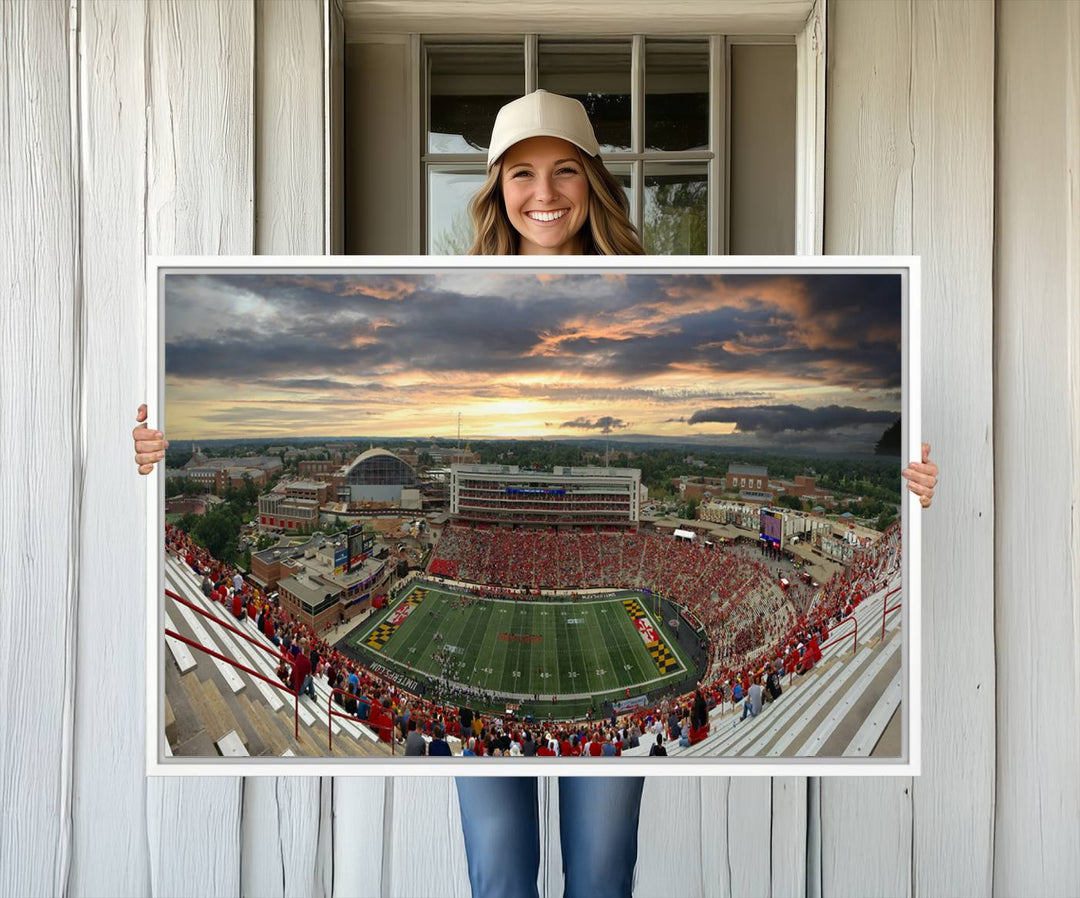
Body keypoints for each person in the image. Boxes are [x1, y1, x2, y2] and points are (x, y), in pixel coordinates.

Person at [132, 89, 939, 898]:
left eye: (564, 171)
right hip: (487, 710)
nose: (544, 193)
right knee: (501, 873)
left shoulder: (654, 291)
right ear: (495, 188)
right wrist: (159, 453)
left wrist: (908, 484)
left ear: (593, 181)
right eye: (521, 173)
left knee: (599, 872)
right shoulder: (450, 289)